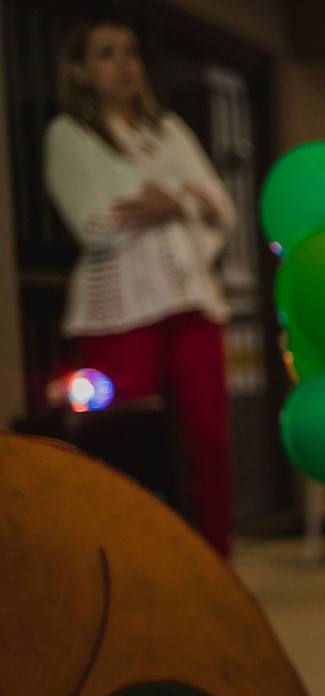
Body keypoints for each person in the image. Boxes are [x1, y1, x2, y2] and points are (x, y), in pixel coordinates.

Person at [44, 19, 236, 558]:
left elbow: (224, 210)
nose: (124, 63)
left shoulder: (170, 131)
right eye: (106, 53)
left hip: (190, 300)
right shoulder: (69, 134)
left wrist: (173, 202)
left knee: (210, 442)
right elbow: (90, 223)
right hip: (118, 311)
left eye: (130, 51)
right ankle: (136, 568)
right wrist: (183, 203)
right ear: (79, 71)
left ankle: (216, 568)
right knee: (125, 447)